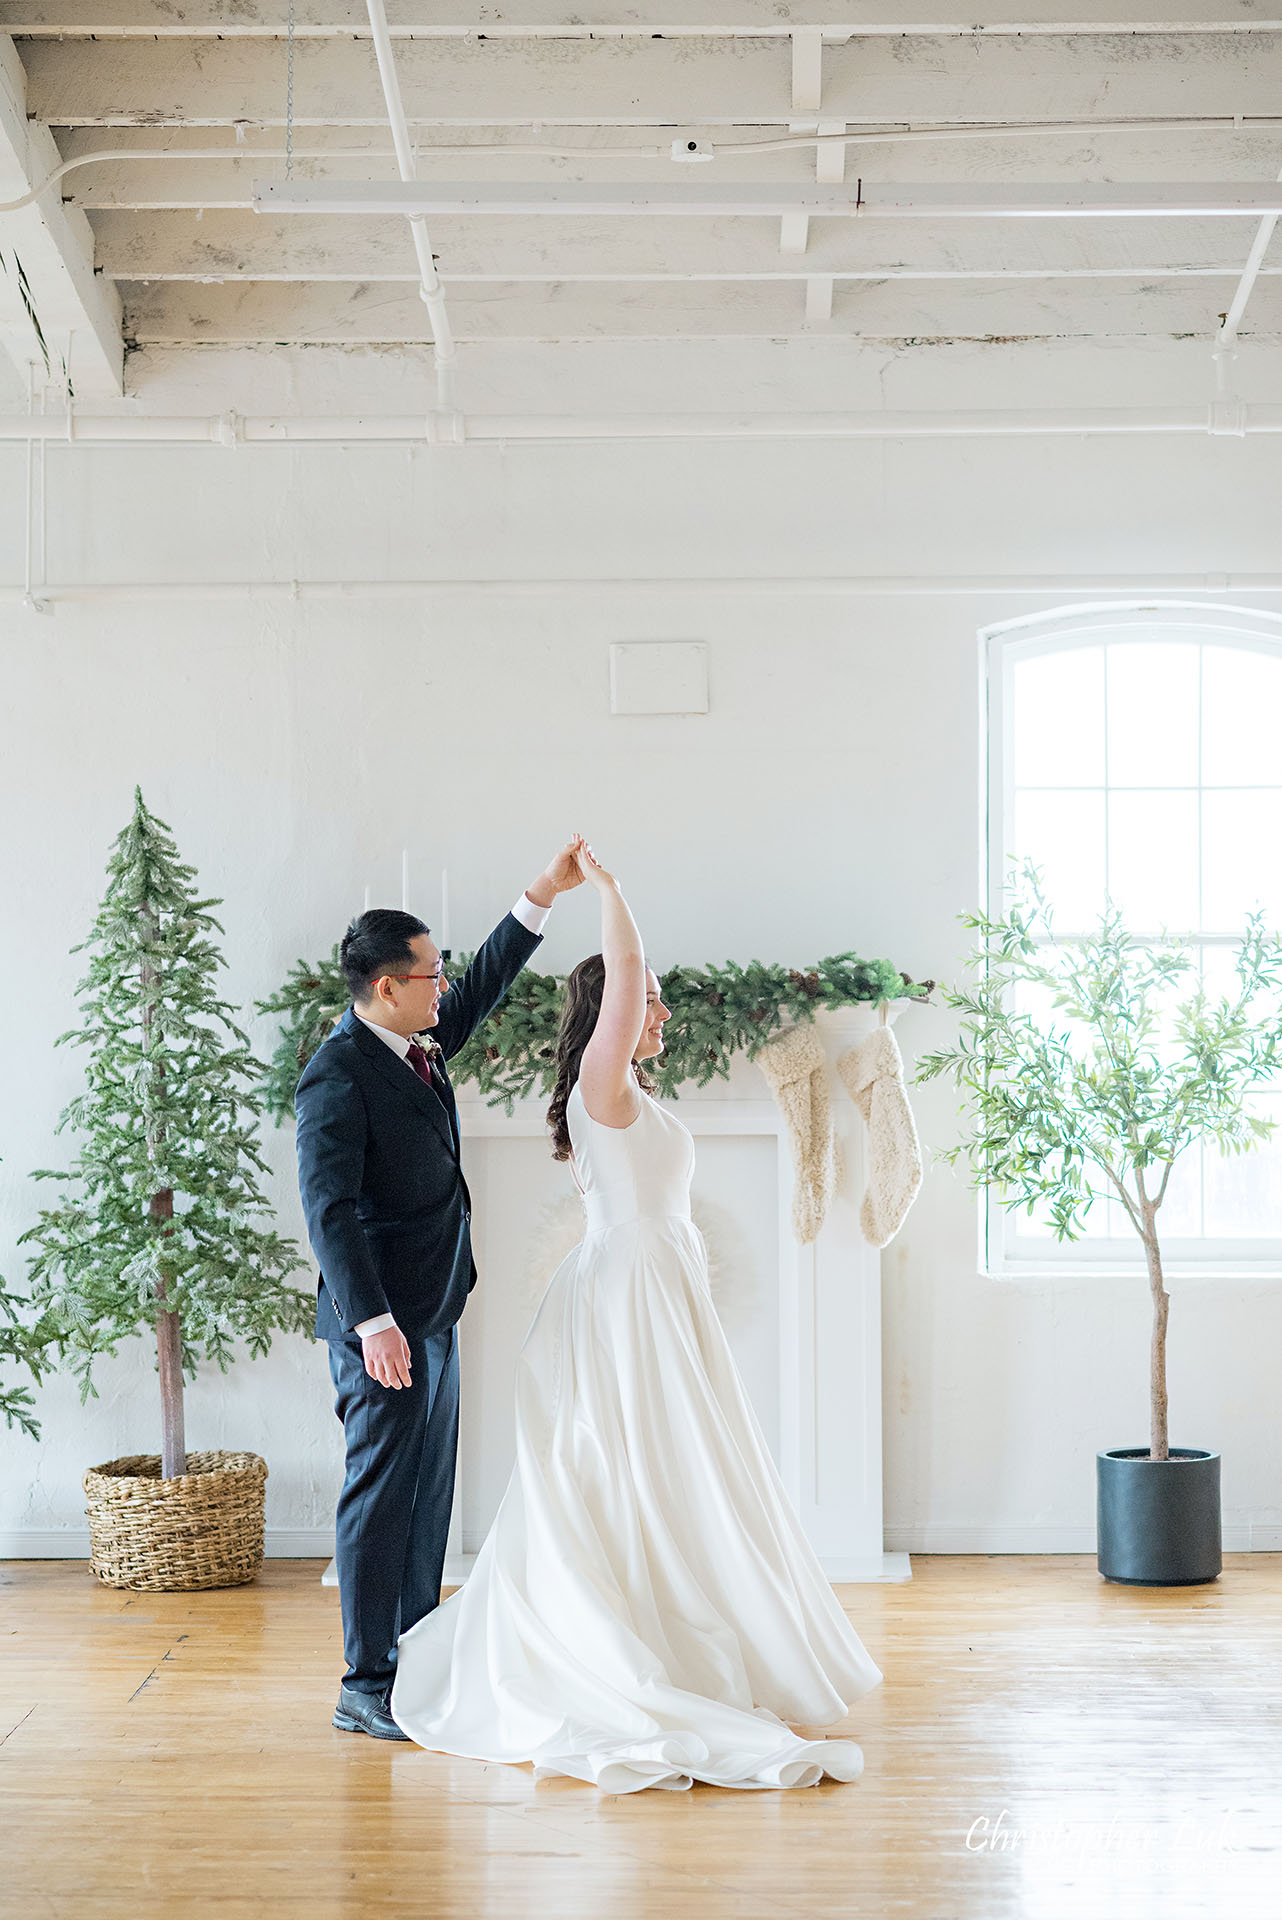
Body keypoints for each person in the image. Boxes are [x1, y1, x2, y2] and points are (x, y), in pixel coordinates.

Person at [390, 843, 883, 1790]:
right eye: (648, 998)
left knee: (672, 1469)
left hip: (659, 1287)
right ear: (613, 1009)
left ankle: (681, 1629)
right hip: (629, 1295)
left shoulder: (628, 1095)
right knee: (630, 1467)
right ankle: (620, 1650)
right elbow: (620, 978)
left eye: (654, 998)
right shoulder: (601, 1085)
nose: (660, 1010)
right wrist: (607, 892)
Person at [295, 839, 587, 1742]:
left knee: (428, 1493)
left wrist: (542, 893)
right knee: (381, 1494)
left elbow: (486, 984)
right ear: (388, 986)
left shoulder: (415, 1041)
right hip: (380, 1324)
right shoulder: (338, 1074)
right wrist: (374, 1323)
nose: (443, 985)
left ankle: (415, 1658)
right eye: (431, 972)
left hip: (435, 1309)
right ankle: (366, 1681)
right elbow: (329, 1210)